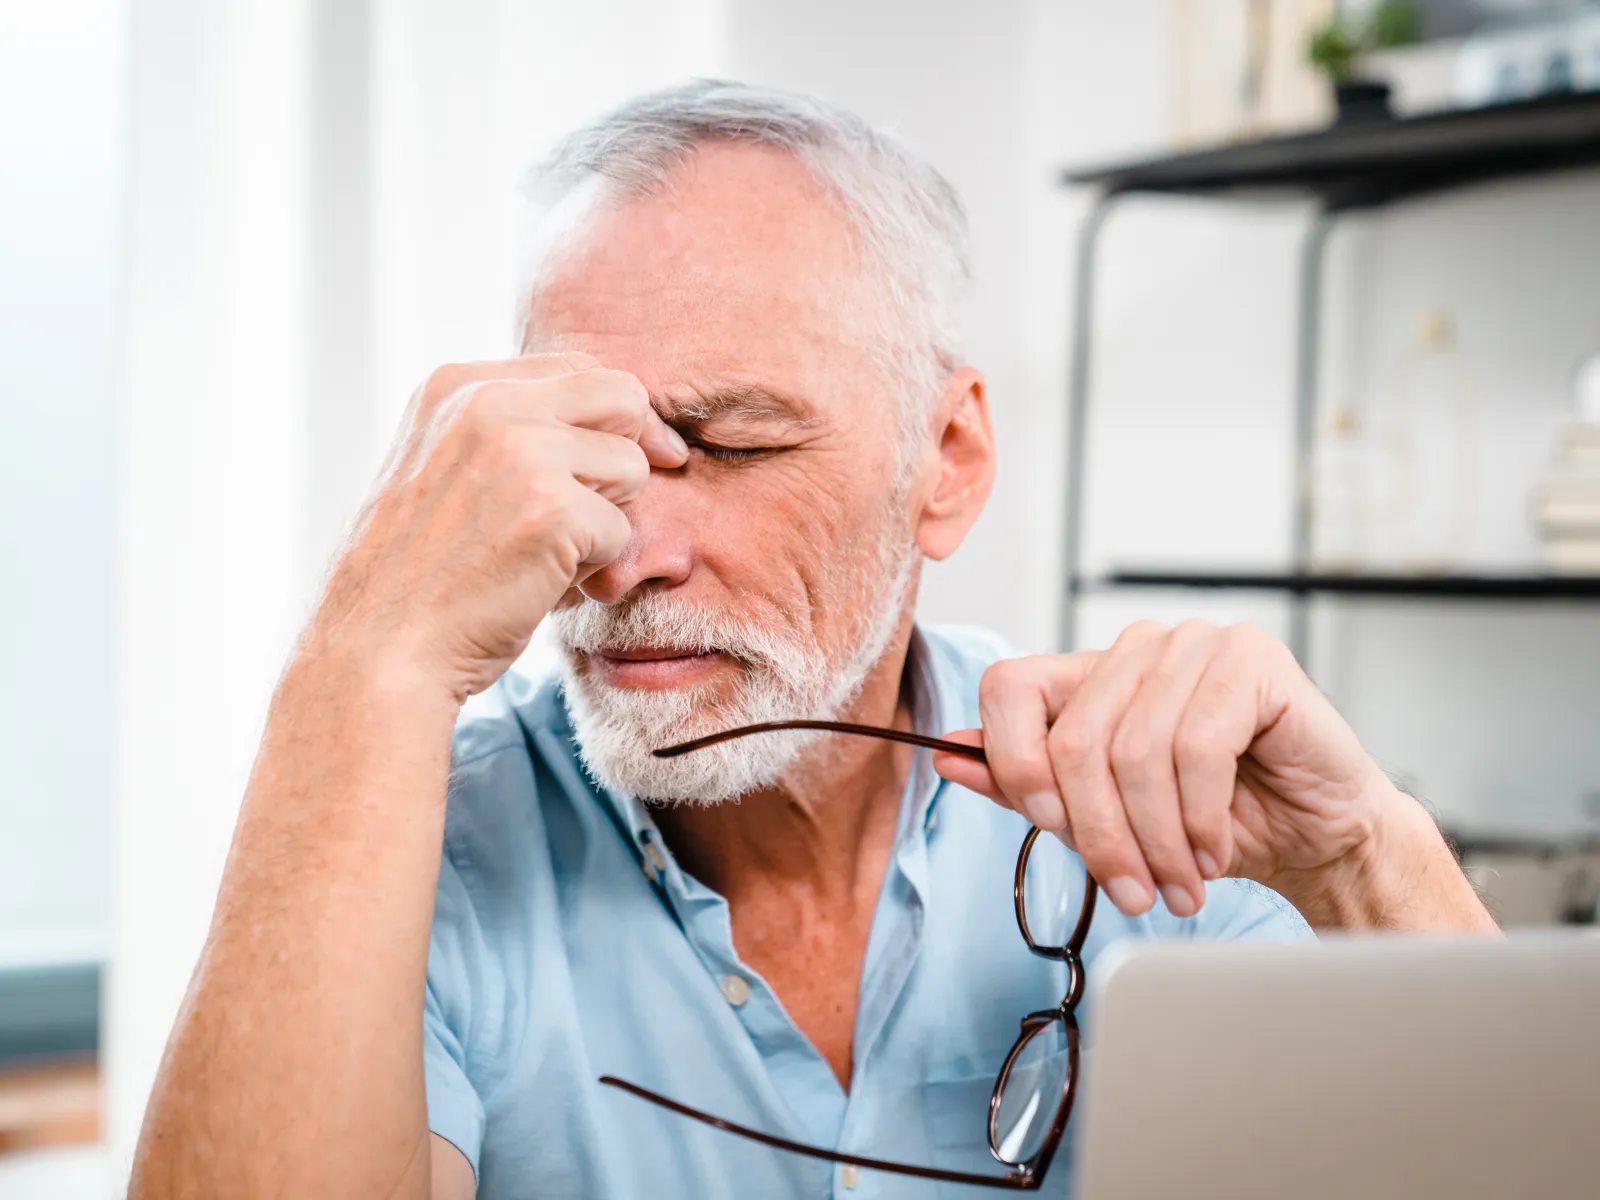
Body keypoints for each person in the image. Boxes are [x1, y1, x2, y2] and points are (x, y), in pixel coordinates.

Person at [128, 81, 1494, 1200]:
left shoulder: (1162, 816)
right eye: (582, 457)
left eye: (728, 444)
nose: (623, 554)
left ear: (946, 459)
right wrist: (363, 653)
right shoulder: (426, 852)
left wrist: (1362, 863)